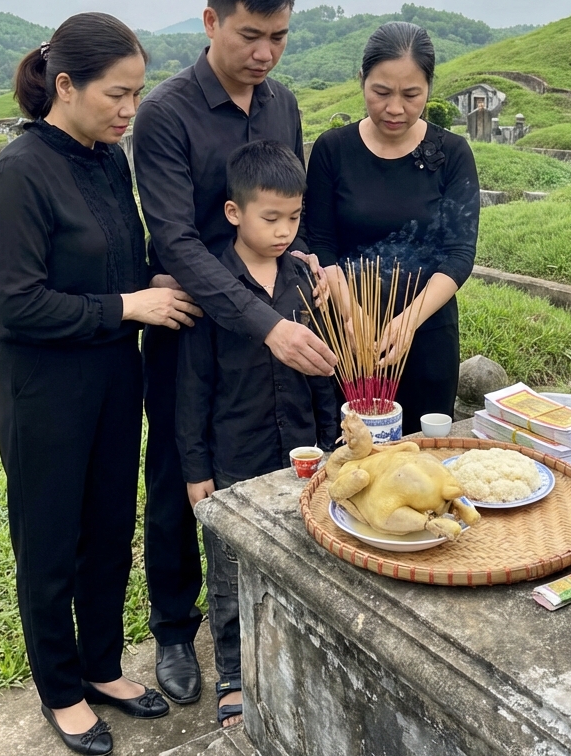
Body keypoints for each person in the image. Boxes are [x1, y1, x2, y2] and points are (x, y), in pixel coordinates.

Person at [0, 13, 202, 756]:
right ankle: (60, 688)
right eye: (116, 95)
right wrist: (127, 306)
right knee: (50, 538)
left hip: (114, 375)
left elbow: (121, 260)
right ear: (65, 85)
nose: (128, 112)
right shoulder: (18, 172)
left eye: (136, 95)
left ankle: (102, 665)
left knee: (110, 529)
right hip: (44, 389)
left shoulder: (109, 160)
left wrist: (157, 282)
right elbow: (13, 305)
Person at [133, 0, 336, 706]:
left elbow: (286, 205)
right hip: (192, 324)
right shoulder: (165, 114)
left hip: (269, 314)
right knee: (182, 480)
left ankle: (266, 611)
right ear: (210, 20)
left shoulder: (281, 102)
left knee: (279, 460)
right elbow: (177, 239)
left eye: (279, 37)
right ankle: (175, 632)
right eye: (250, 34)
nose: (264, 53)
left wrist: (311, 263)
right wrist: (263, 326)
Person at [175, 140, 339, 728]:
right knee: (228, 566)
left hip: (300, 447)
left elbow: (322, 369)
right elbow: (191, 389)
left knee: (301, 548)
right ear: (233, 212)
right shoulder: (214, 284)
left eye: (293, 218)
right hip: (233, 452)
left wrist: (333, 438)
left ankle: (296, 648)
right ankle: (234, 673)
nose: (283, 231)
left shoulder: (303, 278)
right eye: (271, 218)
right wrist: (196, 468)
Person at [305, 21, 480, 435]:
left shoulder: (452, 154)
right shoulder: (333, 150)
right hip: (347, 336)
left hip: (426, 336)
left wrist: (408, 321)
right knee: (350, 460)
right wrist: (354, 315)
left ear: (429, 89)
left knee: (422, 464)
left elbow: (459, 253)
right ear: (362, 80)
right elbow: (322, 244)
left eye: (411, 94)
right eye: (381, 92)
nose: (395, 108)